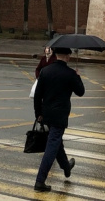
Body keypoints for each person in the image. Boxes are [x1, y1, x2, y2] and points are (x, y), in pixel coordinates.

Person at [33, 47, 84, 192]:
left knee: (56, 142)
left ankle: (66, 167)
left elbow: (38, 95)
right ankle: (40, 180)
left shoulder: (45, 71)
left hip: (46, 114)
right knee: (52, 144)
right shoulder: (70, 74)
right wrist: (77, 76)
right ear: (67, 56)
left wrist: (38, 114)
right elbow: (81, 92)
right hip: (60, 115)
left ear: (55, 55)